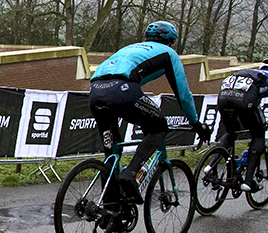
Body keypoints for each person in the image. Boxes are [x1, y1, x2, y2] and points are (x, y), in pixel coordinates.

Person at [89, 20, 210, 203]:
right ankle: (131, 173)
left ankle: (109, 207)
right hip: (123, 90)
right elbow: (183, 95)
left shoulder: (131, 47)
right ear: (170, 41)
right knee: (159, 126)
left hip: (96, 91)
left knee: (112, 153)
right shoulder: (169, 53)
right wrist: (196, 123)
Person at [212, 57, 268, 192]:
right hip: (244, 100)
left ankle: (211, 167)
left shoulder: (253, 74)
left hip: (223, 97)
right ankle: (248, 181)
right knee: (258, 134)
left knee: (231, 132)